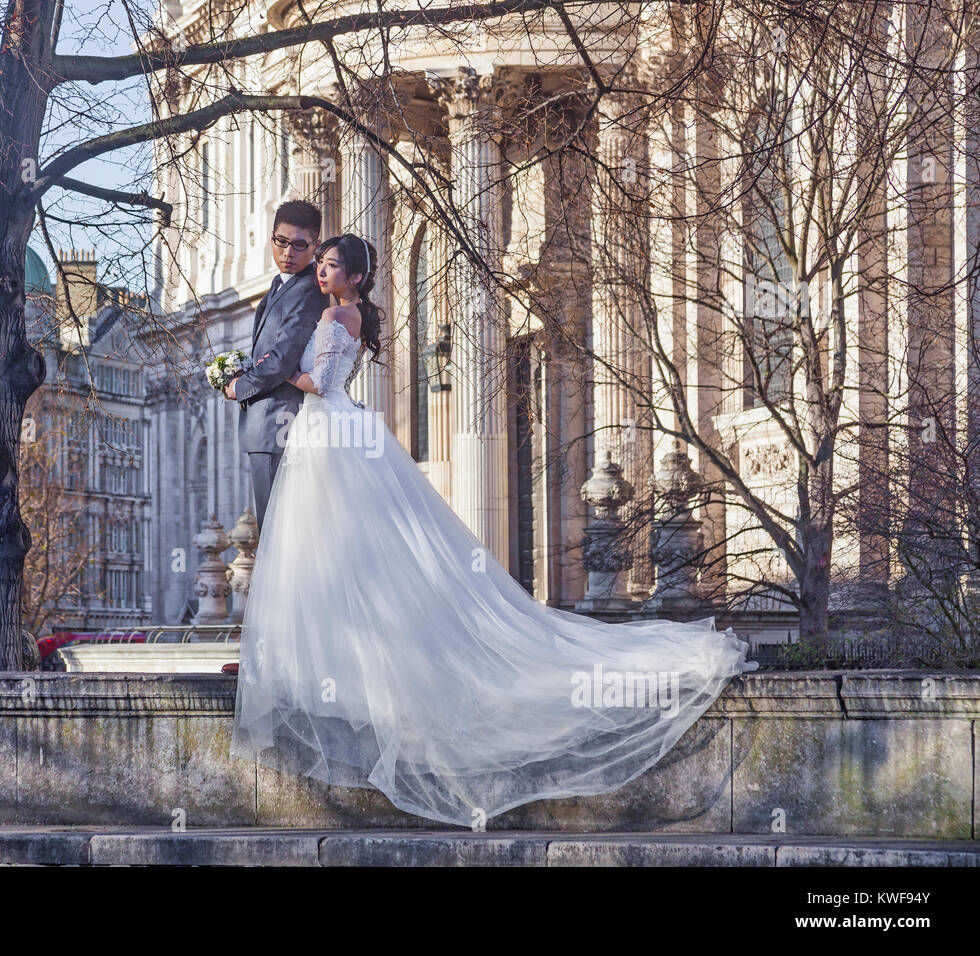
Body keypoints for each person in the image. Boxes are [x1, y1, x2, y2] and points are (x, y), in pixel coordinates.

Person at [229, 232, 758, 828]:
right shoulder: (341, 312)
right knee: (344, 556)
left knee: (340, 552)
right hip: (328, 437)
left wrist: (251, 373)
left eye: (329, 265)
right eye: (320, 264)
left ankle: (348, 671)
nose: (321, 273)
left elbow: (320, 385)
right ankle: (346, 665)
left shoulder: (339, 315)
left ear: (352, 276)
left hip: (327, 434)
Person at [223, 200, 329, 530]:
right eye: (281, 241)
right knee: (275, 532)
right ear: (272, 238)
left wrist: (240, 385)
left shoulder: (308, 289)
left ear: (315, 246)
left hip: (277, 425)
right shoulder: (281, 284)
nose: (288, 252)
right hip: (267, 426)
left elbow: (283, 357)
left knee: (275, 534)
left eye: (300, 245)